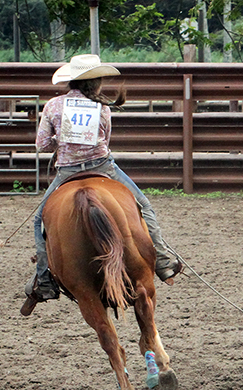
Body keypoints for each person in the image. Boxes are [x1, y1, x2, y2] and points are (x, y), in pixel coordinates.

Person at [23, 54, 181, 308]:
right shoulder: (102, 107)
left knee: (40, 220)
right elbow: (104, 141)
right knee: (144, 206)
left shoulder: (53, 105)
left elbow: (41, 144)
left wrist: (59, 141)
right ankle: (162, 259)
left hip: (67, 171)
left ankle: (44, 278)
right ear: (95, 82)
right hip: (102, 167)